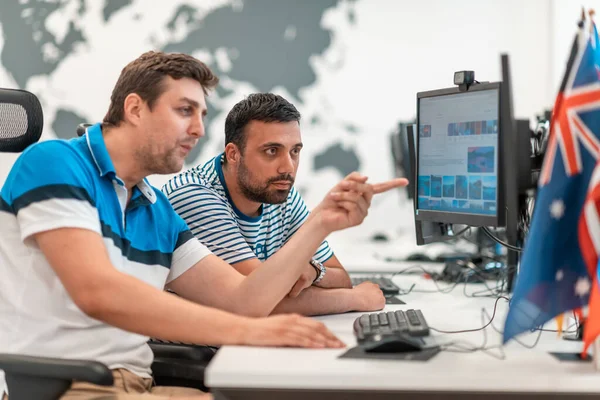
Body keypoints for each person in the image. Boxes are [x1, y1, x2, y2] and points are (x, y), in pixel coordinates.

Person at [0, 52, 406, 399]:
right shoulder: (54, 163)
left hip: (138, 383)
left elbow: (244, 301)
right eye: (184, 111)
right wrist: (251, 332)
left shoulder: (155, 208)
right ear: (135, 108)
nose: (198, 129)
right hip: (75, 386)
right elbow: (98, 292)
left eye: (201, 114)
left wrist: (321, 222)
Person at [163, 93, 406, 315]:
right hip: (201, 352)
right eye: (271, 151)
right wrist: (355, 299)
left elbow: (340, 276)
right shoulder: (194, 195)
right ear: (234, 154)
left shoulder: (278, 191)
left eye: (295, 151)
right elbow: (258, 300)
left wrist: (312, 271)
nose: (287, 167)